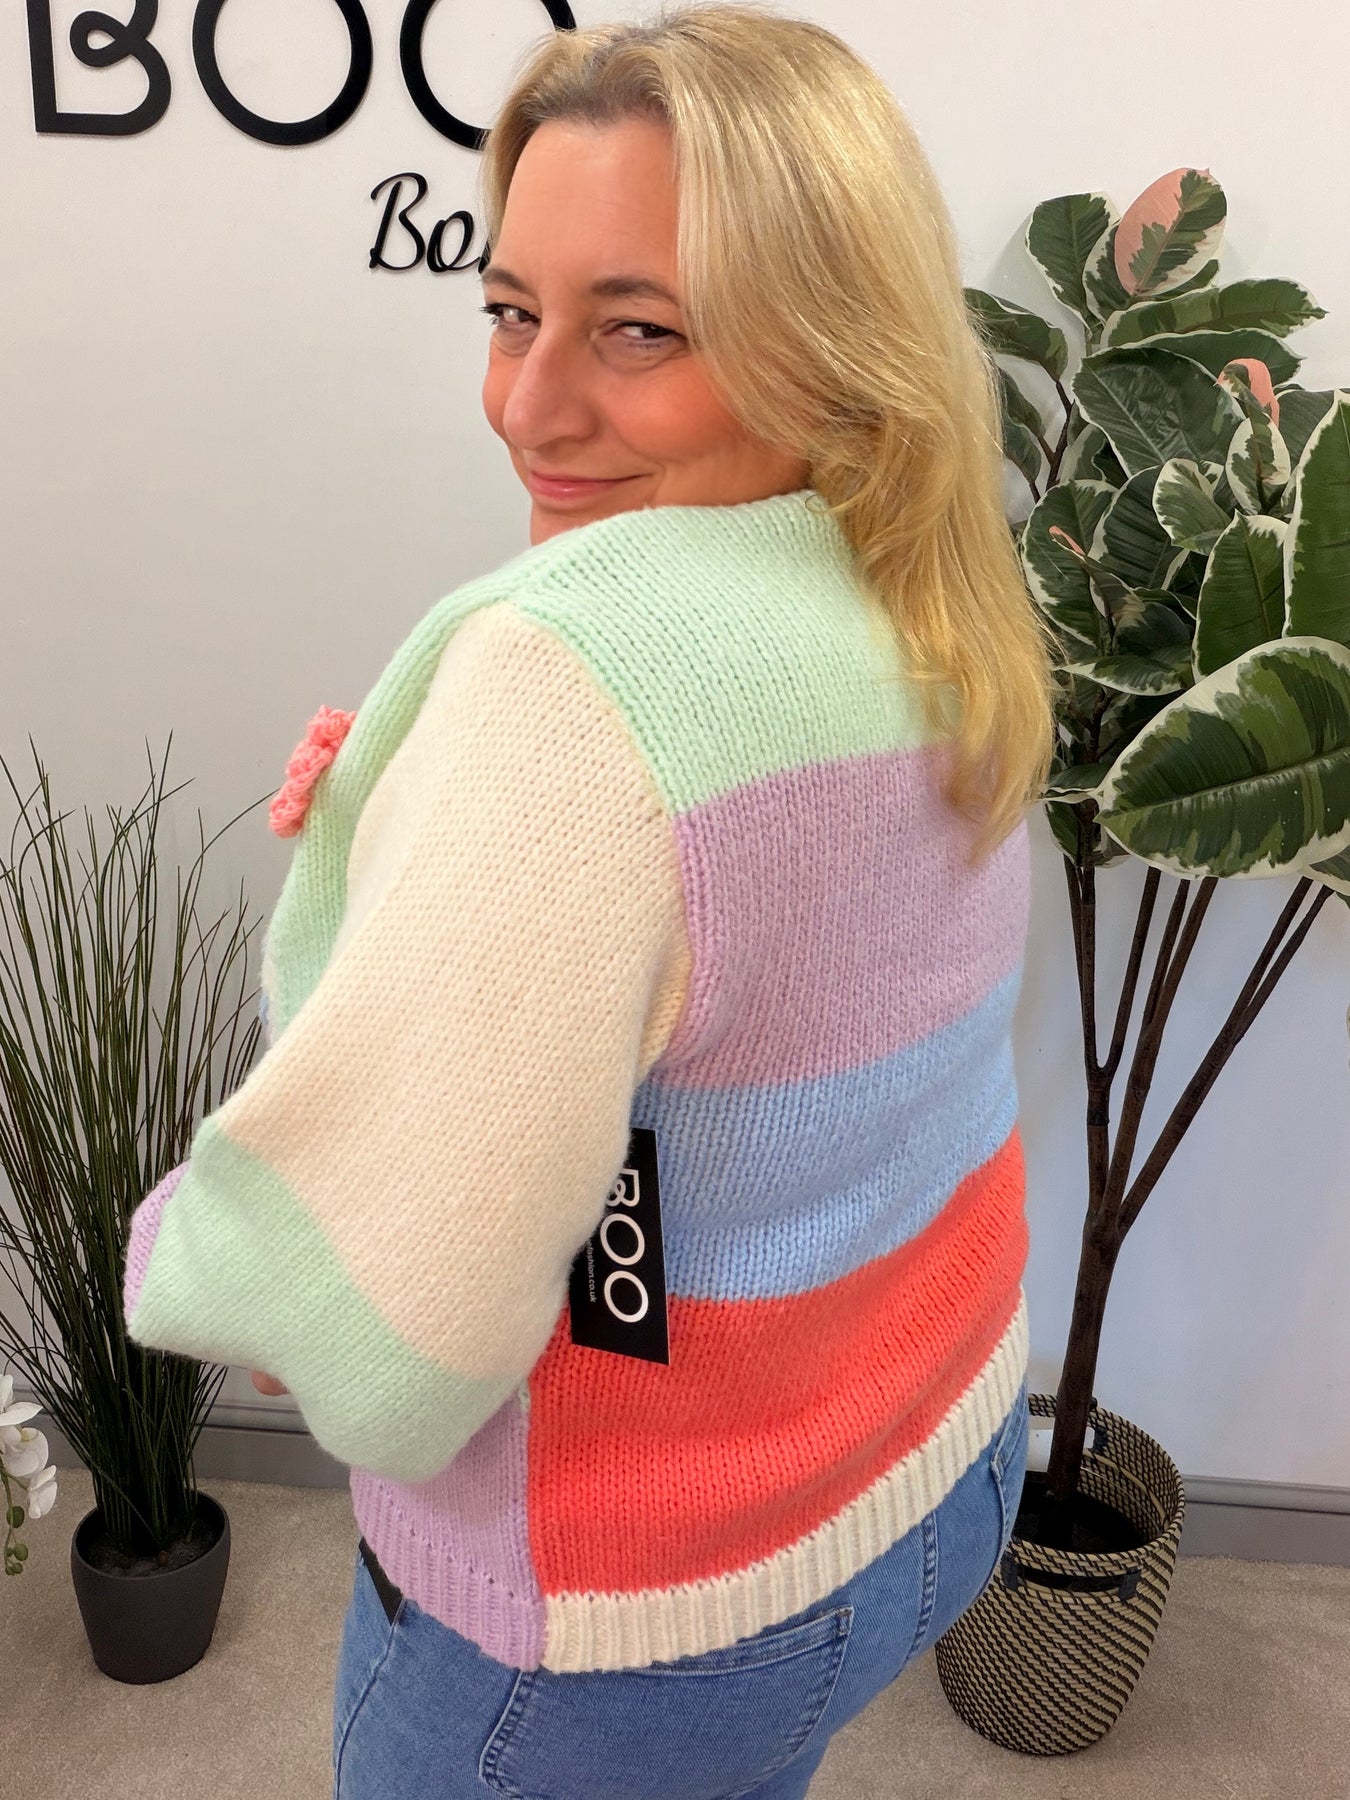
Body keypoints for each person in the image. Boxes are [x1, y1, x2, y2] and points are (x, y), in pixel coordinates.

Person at [122, 5, 1058, 1795]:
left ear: (830, 344)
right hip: (925, 1475)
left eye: (639, 329)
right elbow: (778, 1004)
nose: (527, 405)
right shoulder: (925, 584)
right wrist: (423, 849)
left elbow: (381, 1330)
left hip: (630, 1608)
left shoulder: (568, 680)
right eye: (508, 311)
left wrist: (185, 1248)